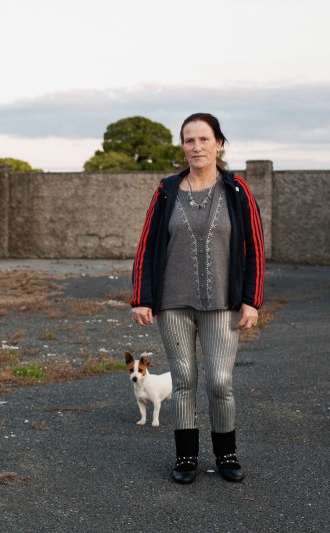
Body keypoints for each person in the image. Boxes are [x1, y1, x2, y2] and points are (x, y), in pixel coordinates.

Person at [130, 113, 264, 484]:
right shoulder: (166, 190)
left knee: (220, 381)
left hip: (223, 303)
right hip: (173, 302)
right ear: (183, 147)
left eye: (204, 139)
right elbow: (148, 245)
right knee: (184, 379)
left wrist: (251, 299)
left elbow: (254, 245)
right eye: (189, 140)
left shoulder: (237, 190)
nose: (197, 146)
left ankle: (227, 454)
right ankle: (186, 457)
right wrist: (142, 297)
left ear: (219, 143)